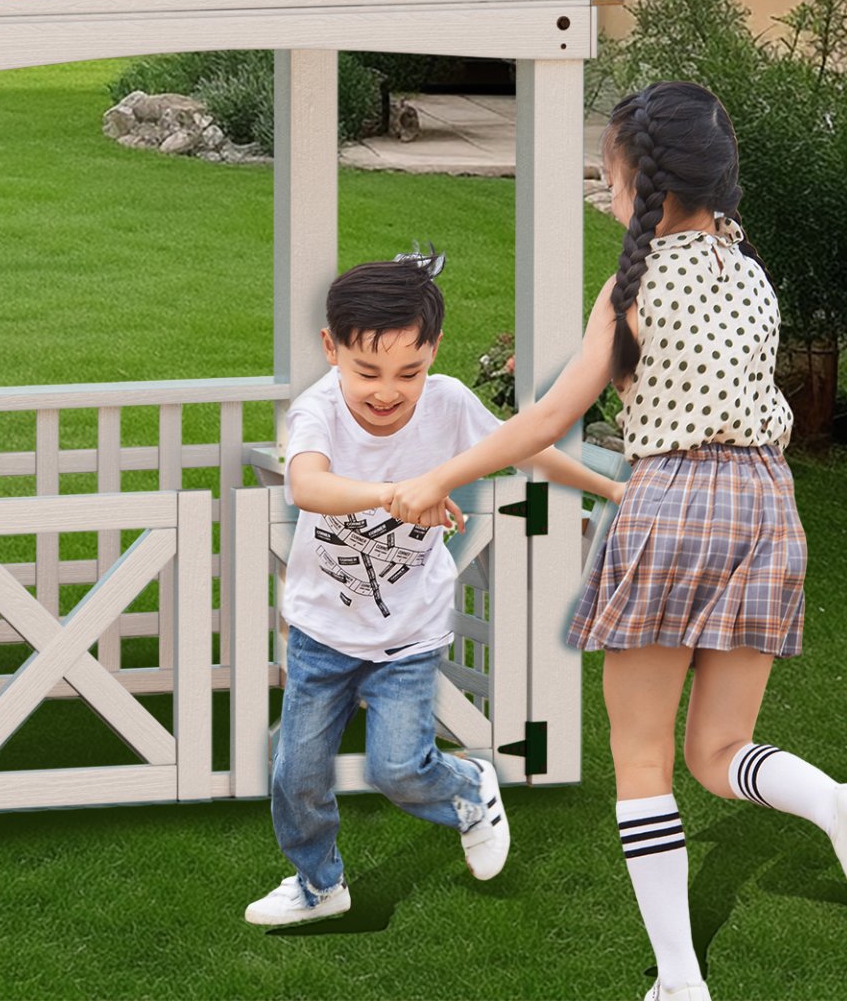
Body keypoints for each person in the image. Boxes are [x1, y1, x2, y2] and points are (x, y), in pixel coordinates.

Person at [385, 81, 847, 1001]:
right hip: (767, 506)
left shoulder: (632, 285)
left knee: (644, 760)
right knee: (719, 751)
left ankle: (680, 980)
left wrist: (438, 475)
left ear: (641, 184)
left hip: (672, 505)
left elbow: (550, 415)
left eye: (610, 175)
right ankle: (836, 804)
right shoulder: (749, 274)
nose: (607, 189)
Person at [246, 250, 622, 928]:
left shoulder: (448, 403)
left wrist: (610, 487)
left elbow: (524, 445)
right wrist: (398, 494)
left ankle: (471, 789)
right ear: (332, 349)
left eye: (409, 372)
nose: (387, 391)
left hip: (407, 638)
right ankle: (317, 883)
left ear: (435, 352)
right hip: (320, 636)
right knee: (295, 775)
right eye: (367, 372)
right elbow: (308, 486)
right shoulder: (319, 411)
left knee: (398, 770)